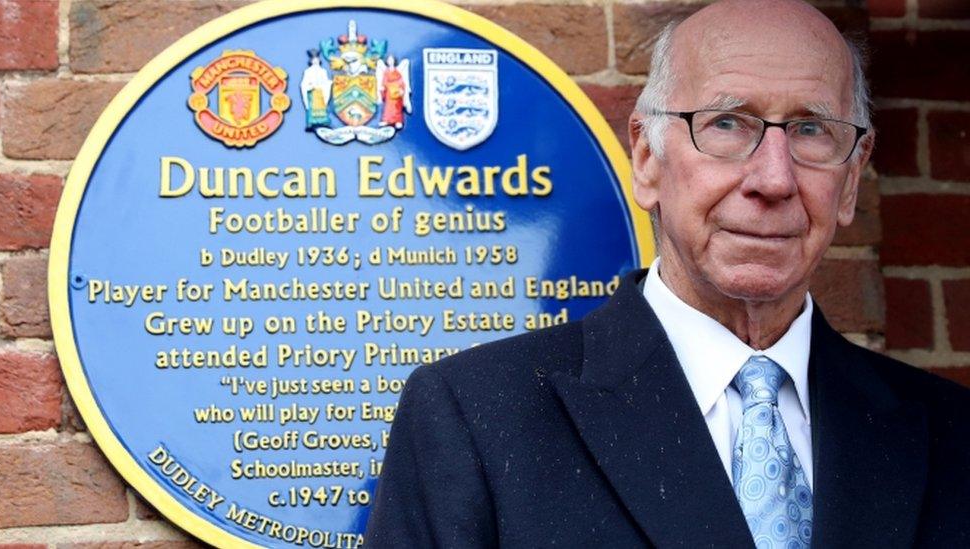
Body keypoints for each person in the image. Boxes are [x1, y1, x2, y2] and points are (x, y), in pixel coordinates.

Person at [364, 0, 970, 547]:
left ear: (853, 177)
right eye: (727, 124)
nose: (774, 179)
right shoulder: (476, 415)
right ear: (648, 158)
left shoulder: (952, 435)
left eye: (812, 130)